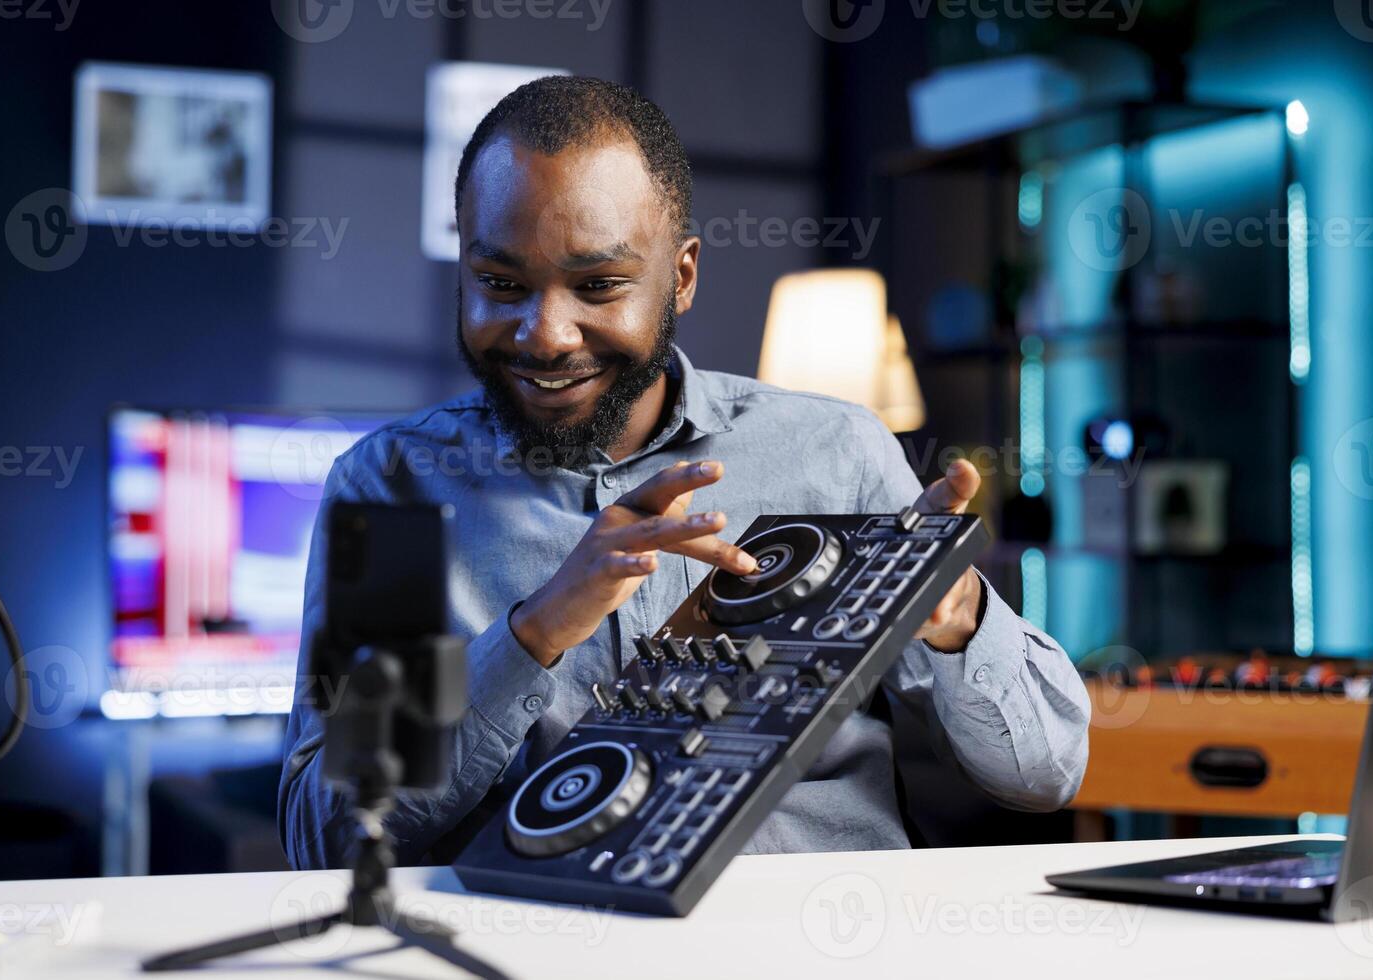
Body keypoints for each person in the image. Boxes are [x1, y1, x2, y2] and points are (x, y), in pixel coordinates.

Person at [279, 75, 1090, 868]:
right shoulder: (392, 487)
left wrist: (960, 617)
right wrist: (535, 633)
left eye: (598, 285)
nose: (547, 334)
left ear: (683, 276)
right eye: (501, 284)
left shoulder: (837, 453)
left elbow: (1046, 775)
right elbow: (330, 837)